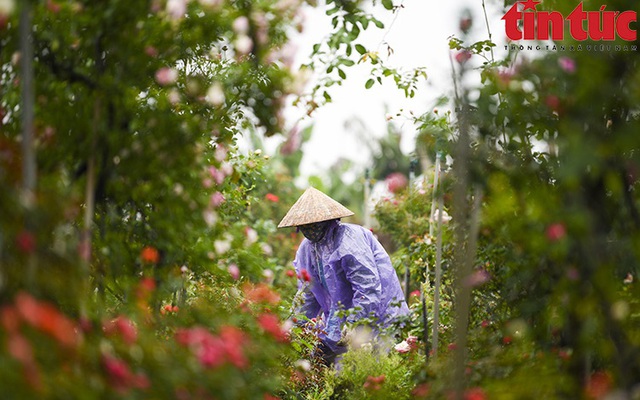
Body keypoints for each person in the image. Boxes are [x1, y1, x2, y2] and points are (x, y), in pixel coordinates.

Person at [278, 187, 409, 365]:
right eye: (305, 227)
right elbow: (307, 295)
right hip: (343, 321)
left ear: (329, 220)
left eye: (314, 225)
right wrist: (294, 329)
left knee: (382, 369)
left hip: (378, 315)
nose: (310, 230)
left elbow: (367, 289)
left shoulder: (349, 240)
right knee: (345, 377)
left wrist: (352, 324)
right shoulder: (307, 250)